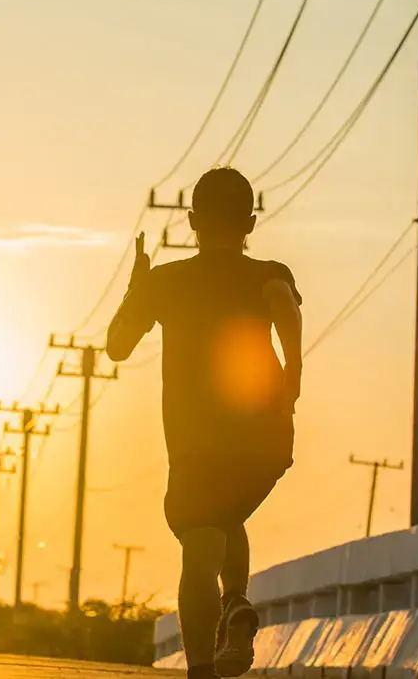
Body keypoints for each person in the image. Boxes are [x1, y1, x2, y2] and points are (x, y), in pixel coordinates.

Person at [106, 167, 302, 679]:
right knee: (225, 517)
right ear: (251, 224)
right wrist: (293, 371)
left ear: (191, 220)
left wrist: (136, 289)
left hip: (197, 446)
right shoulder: (267, 271)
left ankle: (202, 669)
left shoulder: (166, 281)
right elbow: (282, 302)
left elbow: (117, 347)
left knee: (199, 547)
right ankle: (235, 602)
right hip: (265, 439)